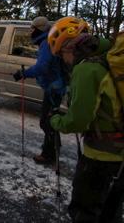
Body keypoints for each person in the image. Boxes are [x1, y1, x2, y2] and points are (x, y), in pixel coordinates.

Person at [48, 16, 124, 223]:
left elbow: (78, 121)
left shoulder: (86, 69)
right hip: (120, 157)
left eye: (61, 54)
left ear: (69, 48)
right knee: (111, 211)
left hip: (101, 156)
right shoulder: (111, 56)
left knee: (85, 211)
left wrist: (56, 120)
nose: (64, 60)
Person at [13, 16, 67, 165]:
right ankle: (52, 147)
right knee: (49, 119)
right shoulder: (48, 41)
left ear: (39, 29)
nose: (30, 31)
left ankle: (49, 154)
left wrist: (23, 73)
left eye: (32, 29)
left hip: (53, 89)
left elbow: (42, 67)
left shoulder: (46, 43)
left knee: (46, 121)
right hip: (55, 86)